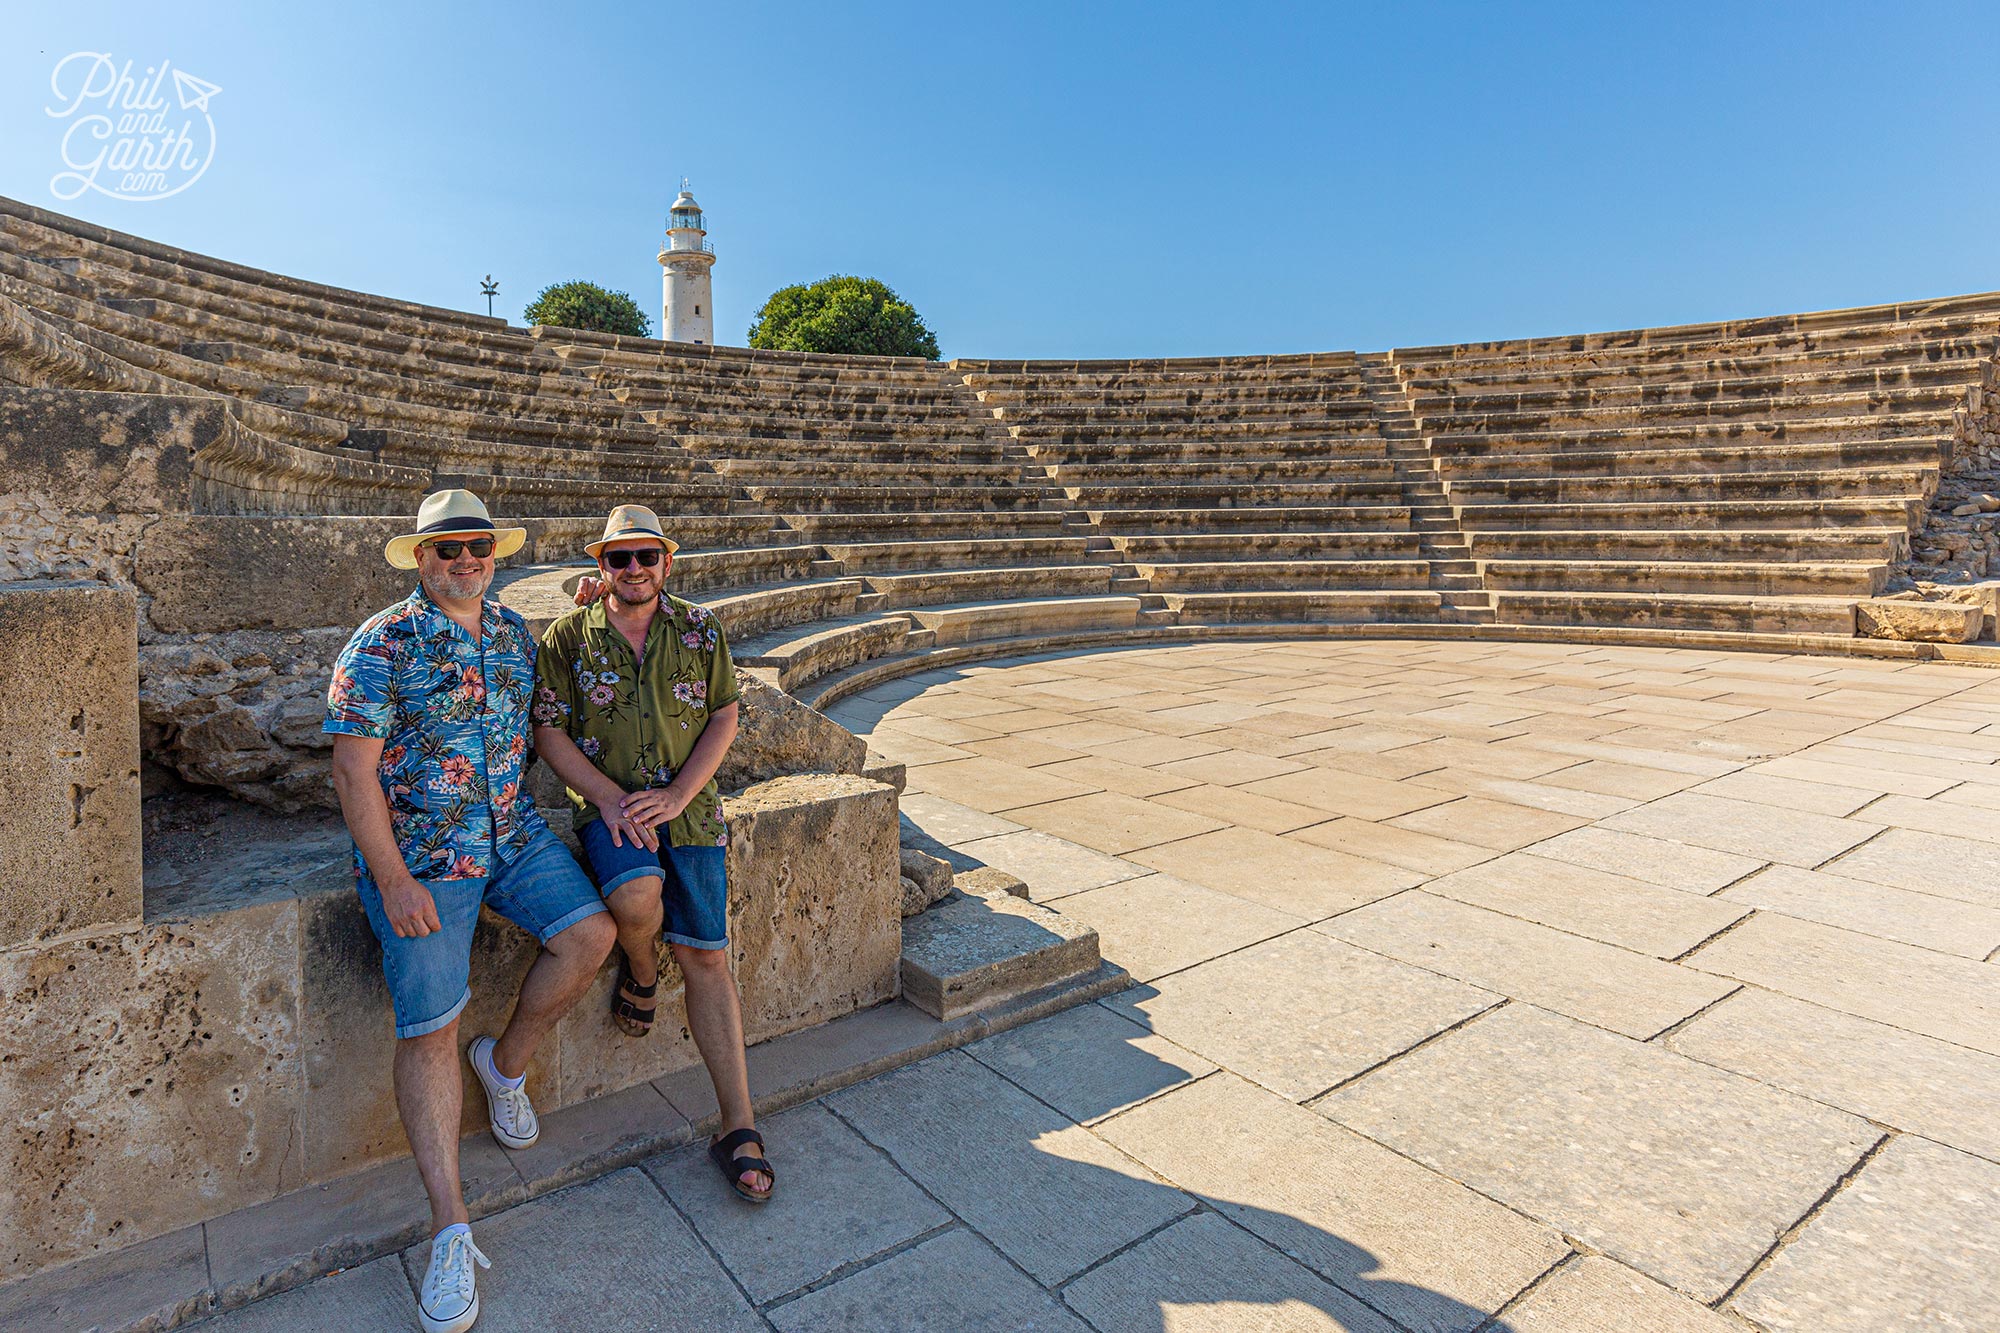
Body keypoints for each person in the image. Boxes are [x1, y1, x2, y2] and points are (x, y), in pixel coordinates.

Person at [325, 489, 617, 1333]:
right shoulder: (381, 644)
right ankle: (450, 1227)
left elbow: (550, 714)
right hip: (423, 854)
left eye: (477, 546)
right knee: (427, 1029)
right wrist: (392, 879)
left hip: (511, 831)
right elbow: (353, 772)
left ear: (495, 554)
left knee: (591, 931)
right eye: (446, 549)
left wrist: (595, 600)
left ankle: (507, 1062)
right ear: (420, 559)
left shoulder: (515, 634)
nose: (464, 561)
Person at [530, 503, 776, 1204]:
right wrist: (608, 798)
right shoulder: (567, 637)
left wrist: (677, 795)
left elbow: (724, 712)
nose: (633, 569)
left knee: (706, 956)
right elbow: (549, 731)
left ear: (667, 563)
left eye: (645, 556)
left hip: (690, 811)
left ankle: (739, 1125)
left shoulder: (702, 628)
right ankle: (641, 966)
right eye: (618, 558)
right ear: (599, 567)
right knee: (637, 896)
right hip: (611, 805)